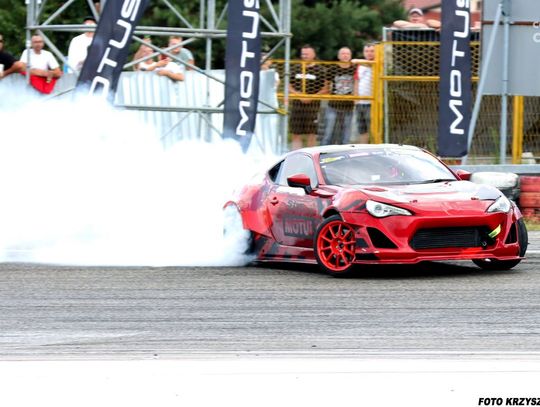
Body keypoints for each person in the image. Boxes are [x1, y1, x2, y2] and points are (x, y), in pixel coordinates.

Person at [289, 44, 329, 149]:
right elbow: (288, 86)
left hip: (313, 107)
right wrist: (299, 95)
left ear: (313, 54)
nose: (305, 56)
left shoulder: (320, 70)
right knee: (296, 133)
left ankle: (310, 156)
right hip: (297, 105)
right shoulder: (296, 68)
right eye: (303, 54)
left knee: (312, 134)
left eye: (307, 54)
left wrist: (311, 97)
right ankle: (296, 156)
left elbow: (325, 88)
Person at [321, 46, 356, 145]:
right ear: (338, 56)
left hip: (349, 106)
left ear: (350, 56)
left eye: (347, 54)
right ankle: (324, 151)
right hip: (333, 105)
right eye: (343, 53)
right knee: (328, 133)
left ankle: (344, 153)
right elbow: (326, 85)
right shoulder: (332, 69)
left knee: (345, 135)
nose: (345, 55)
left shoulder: (354, 69)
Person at [352, 43, 375, 144]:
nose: (369, 53)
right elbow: (356, 82)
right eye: (367, 51)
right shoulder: (360, 66)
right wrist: (355, 99)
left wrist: (357, 60)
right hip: (360, 103)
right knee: (362, 130)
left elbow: (370, 64)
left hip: (372, 103)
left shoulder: (377, 63)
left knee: (373, 130)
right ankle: (364, 149)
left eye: (372, 51)